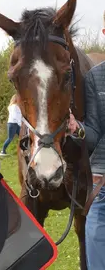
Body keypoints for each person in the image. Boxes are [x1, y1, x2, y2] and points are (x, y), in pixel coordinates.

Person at [67, 14, 105, 270]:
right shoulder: (94, 78)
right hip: (103, 182)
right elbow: (94, 132)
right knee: (93, 232)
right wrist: (76, 128)